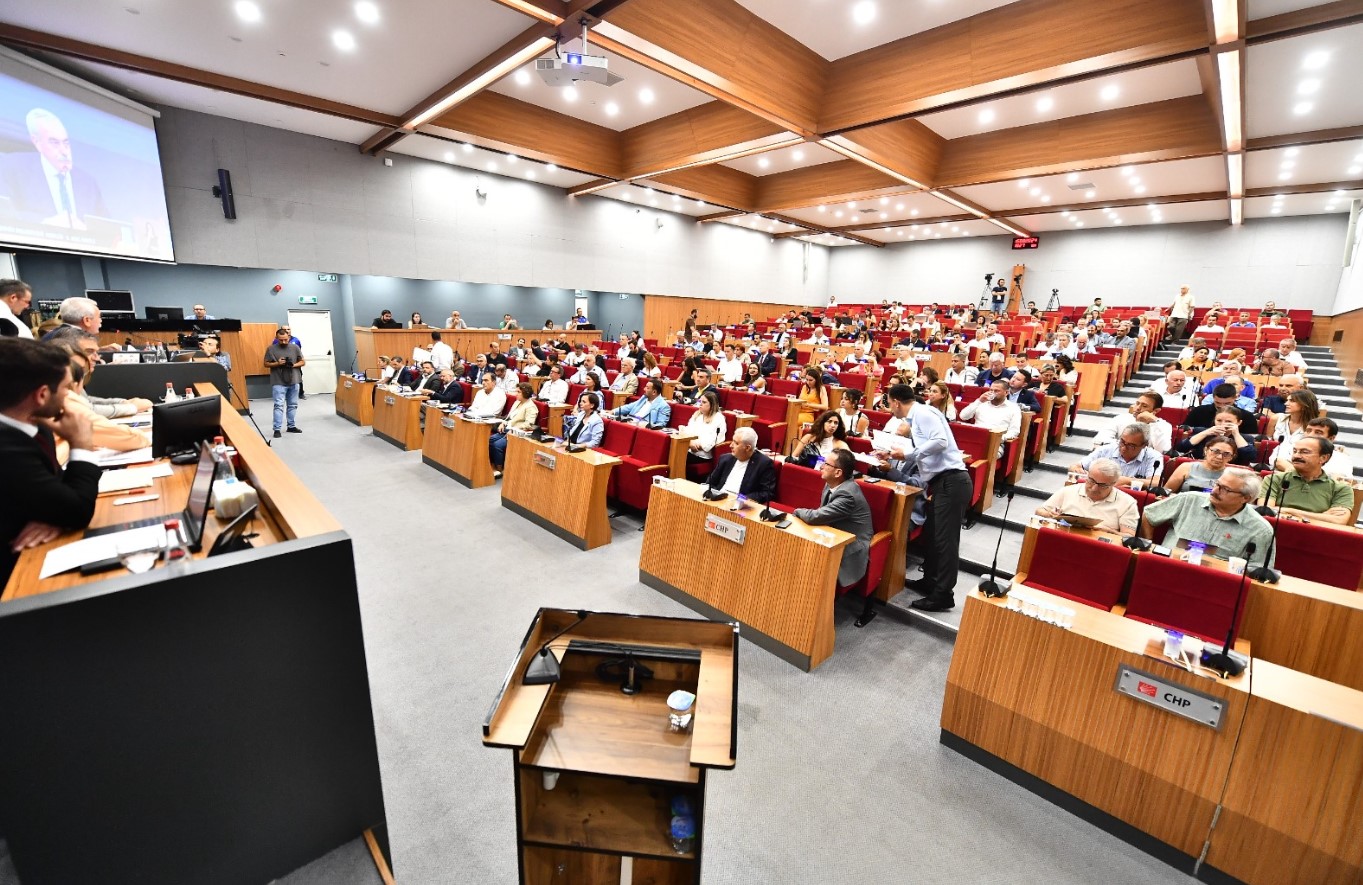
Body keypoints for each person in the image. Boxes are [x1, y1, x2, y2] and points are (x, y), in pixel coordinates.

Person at [0, 337, 103, 585]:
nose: (71, 395)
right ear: (42, 394)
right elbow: (77, 509)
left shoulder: (33, 424)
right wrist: (81, 443)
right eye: (67, 388)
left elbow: (61, 494)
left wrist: (56, 514)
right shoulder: (7, 447)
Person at [875, 384, 972, 612]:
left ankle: (943, 595)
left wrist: (907, 454)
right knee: (933, 538)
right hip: (941, 484)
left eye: (889, 403)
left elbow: (940, 442)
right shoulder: (918, 416)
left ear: (896, 401)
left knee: (945, 542)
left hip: (952, 481)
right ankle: (930, 581)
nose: (890, 409)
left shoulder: (923, 413)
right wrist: (892, 454)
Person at [2, 109, 108, 228]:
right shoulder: (12, 167)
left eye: (66, 143)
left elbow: (106, 228)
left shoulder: (88, 182)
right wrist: (45, 224)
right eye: (55, 143)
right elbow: (5, 213)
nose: (64, 151)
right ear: (37, 142)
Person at [1140, 468, 1273, 564]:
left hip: (1214, 583)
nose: (1214, 491)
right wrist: (1149, 544)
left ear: (1245, 498)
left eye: (1225, 489)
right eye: (1217, 484)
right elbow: (1149, 514)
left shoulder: (1260, 529)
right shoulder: (1188, 499)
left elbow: (1257, 567)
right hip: (1167, 565)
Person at [793, 449, 874, 591]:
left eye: (826, 464)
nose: (821, 466)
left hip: (851, 547)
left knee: (806, 564)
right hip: (832, 535)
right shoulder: (833, 483)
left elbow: (815, 517)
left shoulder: (847, 495)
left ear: (838, 472)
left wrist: (796, 511)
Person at [1260, 436, 1354, 525]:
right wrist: (1323, 516)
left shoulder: (1341, 489)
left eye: (1304, 452)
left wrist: (1288, 511)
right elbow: (1267, 511)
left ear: (1323, 458)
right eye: (1294, 451)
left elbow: (1339, 521)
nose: (1296, 456)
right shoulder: (1274, 479)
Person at [1035, 459, 1138, 536]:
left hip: (1100, 548)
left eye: (1102, 485)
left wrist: (1109, 531)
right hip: (1065, 539)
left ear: (1114, 484)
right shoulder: (1068, 491)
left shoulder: (1128, 503)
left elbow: (1129, 536)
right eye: (1091, 481)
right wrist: (1050, 514)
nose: (1094, 488)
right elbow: (1039, 511)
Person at [1071, 424, 1161, 486]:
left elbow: (1156, 483)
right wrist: (1077, 470)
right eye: (1122, 441)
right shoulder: (1106, 449)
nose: (1123, 448)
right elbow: (1075, 466)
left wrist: (1126, 481)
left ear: (1144, 445)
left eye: (1131, 445)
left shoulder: (1153, 457)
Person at [706, 427, 777, 502]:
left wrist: (742, 499)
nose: (731, 445)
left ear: (747, 448)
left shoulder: (763, 464)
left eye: (736, 443)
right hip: (718, 499)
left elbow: (767, 493)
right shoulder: (725, 459)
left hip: (740, 505)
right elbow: (710, 483)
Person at [1271, 417, 1354, 478]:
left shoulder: (1342, 457)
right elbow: (1277, 460)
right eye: (1308, 431)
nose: (1310, 435)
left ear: (1331, 438)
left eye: (1318, 432)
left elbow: (1341, 477)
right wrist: (1292, 469)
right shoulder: (1290, 446)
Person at [1094, 392, 1172, 453]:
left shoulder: (1163, 426)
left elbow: (1162, 450)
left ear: (1156, 411)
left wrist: (1155, 422)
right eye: (1137, 403)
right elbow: (1100, 439)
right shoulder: (1121, 418)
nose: (1138, 408)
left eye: (1144, 406)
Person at [489, 382, 538, 478]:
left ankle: (500, 469)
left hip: (516, 433)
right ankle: (492, 465)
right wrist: (503, 423)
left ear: (525, 393)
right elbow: (509, 417)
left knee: (497, 445)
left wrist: (514, 428)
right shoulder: (517, 402)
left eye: (518, 392)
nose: (516, 394)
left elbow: (529, 424)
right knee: (490, 440)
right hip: (507, 429)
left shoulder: (531, 407)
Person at [264, 327, 305, 437]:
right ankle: (277, 429)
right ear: (276, 338)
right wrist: (278, 363)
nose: (283, 342)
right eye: (281, 340)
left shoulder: (295, 347)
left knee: (293, 404)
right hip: (278, 381)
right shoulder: (271, 349)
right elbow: (266, 364)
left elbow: (302, 362)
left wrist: (293, 365)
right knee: (278, 405)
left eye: (286, 339)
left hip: (294, 380)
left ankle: (291, 426)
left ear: (289, 337)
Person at [960, 379, 1022, 449]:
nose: (992, 393)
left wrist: (998, 438)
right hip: (975, 439)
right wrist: (979, 401)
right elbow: (963, 416)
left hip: (996, 443)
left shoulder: (1013, 408)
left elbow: (1014, 431)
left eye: (996, 391)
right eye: (991, 390)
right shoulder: (981, 403)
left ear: (1006, 392)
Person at [1166, 438, 1235, 494]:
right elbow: (1166, 492)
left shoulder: (1232, 476)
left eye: (1226, 454)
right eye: (1216, 451)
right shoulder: (1186, 467)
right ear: (1206, 450)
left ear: (1231, 457)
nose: (1219, 457)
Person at [1185, 383, 1258, 436]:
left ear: (1235, 398)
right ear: (1213, 397)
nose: (1222, 406)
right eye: (1218, 402)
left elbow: (1251, 438)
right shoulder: (1199, 411)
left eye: (1227, 403)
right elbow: (1186, 431)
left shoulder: (1247, 416)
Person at [685, 390, 727, 465]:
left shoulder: (718, 418)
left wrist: (691, 444)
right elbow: (688, 431)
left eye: (704, 402)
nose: (700, 404)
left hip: (703, 455)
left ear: (712, 405)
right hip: (689, 449)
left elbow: (710, 442)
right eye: (700, 401)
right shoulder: (697, 414)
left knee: (679, 460)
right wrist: (689, 442)